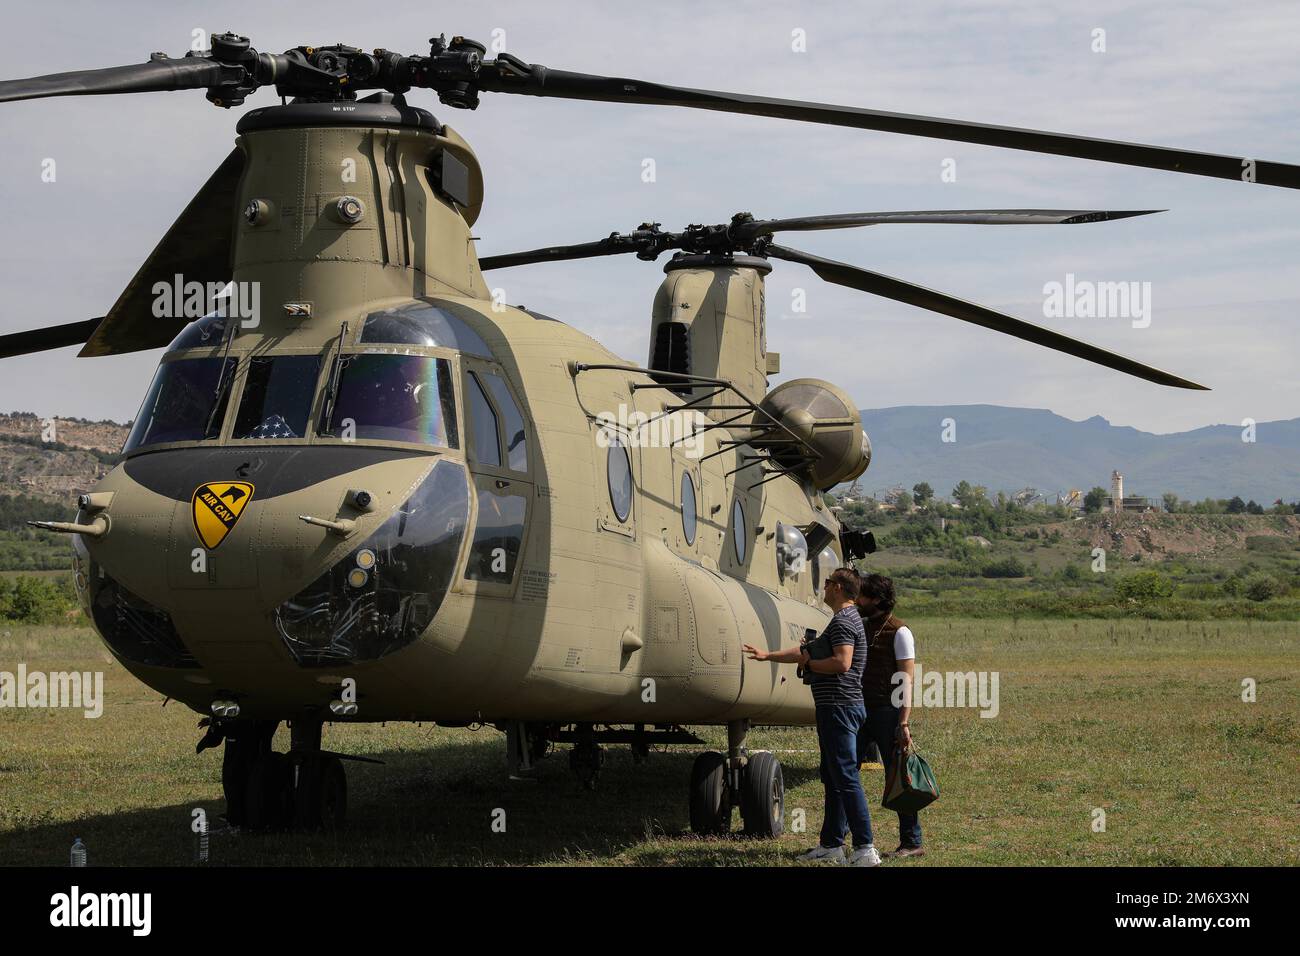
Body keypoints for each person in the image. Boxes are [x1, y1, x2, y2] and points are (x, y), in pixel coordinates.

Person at [743, 567, 881, 866]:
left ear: (840, 589)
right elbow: (807, 650)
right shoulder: (842, 621)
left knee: (845, 776)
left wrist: (811, 664)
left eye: (829, 582)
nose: (825, 586)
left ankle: (865, 848)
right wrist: (768, 655)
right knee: (833, 777)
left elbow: (841, 663)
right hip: (838, 707)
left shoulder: (844, 622)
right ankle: (832, 844)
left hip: (840, 708)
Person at [856, 573, 924, 858]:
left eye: (863, 596)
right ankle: (841, 839)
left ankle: (911, 841)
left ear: (876, 600)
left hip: (888, 712)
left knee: (898, 777)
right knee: (846, 774)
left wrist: (903, 721)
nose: (858, 601)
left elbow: (906, 679)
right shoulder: (862, 626)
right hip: (860, 710)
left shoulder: (900, 631)